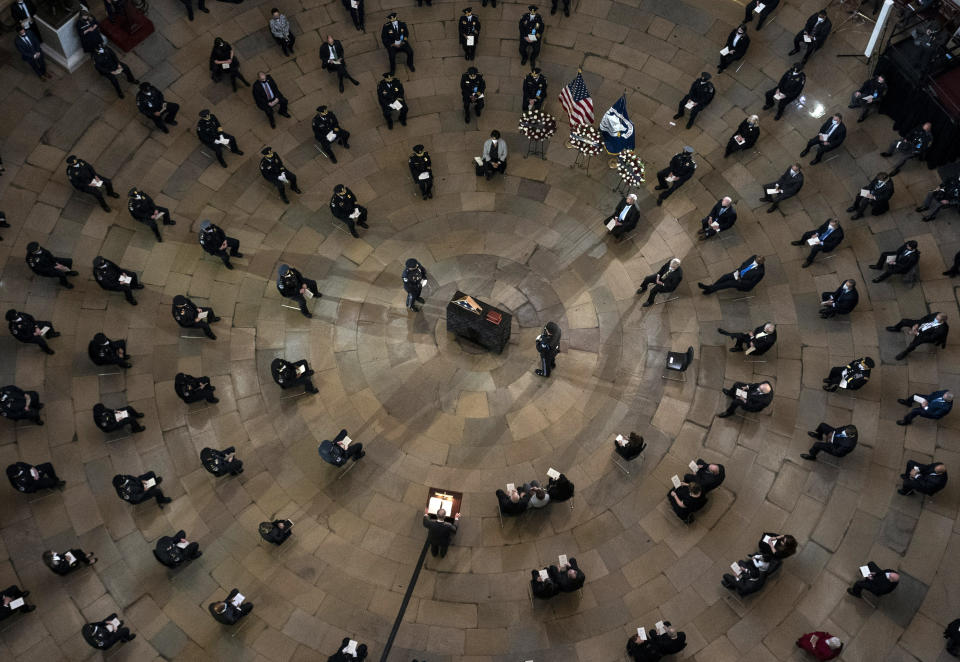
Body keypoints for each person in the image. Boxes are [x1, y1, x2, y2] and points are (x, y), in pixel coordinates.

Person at [698, 255, 765, 295]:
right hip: (738, 273)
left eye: (758, 261)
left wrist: (740, 280)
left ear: (760, 263)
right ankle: (711, 289)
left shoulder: (760, 272)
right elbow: (744, 263)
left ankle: (708, 288)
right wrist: (739, 271)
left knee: (727, 283)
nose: (755, 260)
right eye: (756, 259)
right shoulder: (754, 256)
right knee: (724, 277)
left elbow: (751, 283)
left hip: (742, 281)